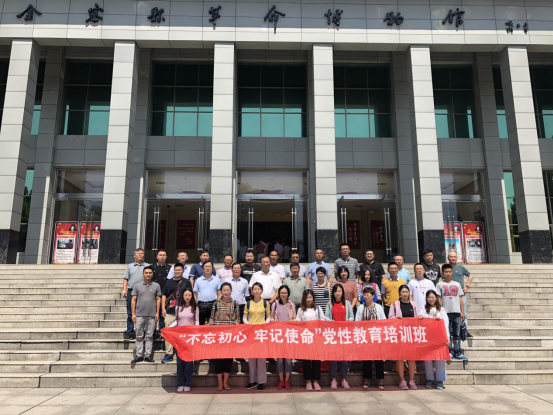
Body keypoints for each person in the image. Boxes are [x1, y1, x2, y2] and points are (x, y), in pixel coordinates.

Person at [209, 282, 240, 391]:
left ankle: (226, 383)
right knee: (218, 360)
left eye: (228, 290)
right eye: (224, 290)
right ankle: (219, 383)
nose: (226, 292)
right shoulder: (216, 303)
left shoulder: (235, 303)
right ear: (221, 291)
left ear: (231, 291)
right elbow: (212, 318)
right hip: (218, 336)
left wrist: (235, 327)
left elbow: (237, 319)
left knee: (228, 359)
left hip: (229, 336)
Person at [160, 263, 193, 363]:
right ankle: (169, 353)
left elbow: (190, 295)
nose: (177, 271)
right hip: (170, 310)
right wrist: (163, 308)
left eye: (179, 270)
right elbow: (164, 295)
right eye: (176, 270)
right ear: (173, 271)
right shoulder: (168, 282)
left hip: (184, 311)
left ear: (183, 271)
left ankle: (183, 351)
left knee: (184, 332)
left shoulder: (187, 282)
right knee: (168, 331)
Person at [355, 287, 386, 390]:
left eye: (368, 294)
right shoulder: (361, 307)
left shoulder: (379, 307)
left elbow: (383, 320)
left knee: (379, 359)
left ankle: (380, 379)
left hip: (377, 336)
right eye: (364, 294)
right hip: (366, 337)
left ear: (373, 296)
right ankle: (366, 379)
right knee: (367, 359)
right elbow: (357, 322)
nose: (366, 296)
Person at [168, 287, 198, 392]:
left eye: (189, 295)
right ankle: (180, 383)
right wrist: (168, 328)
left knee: (188, 361)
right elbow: (177, 321)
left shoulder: (195, 308)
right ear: (183, 296)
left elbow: (197, 322)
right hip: (180, 337)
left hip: (190, 338)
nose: (187, 297)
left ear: (192, 296)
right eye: (186, 295)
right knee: (180, 361)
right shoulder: (178, 307)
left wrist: (196, 334)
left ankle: (187, 383)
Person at [388, 285, 418, 390]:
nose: (405, 294)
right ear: (399, 294)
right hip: (400, 334)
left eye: (406, 292)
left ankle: (412, 380)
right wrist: (396, 318)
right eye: (403, 292)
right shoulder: (395, 304)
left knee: (411, 358)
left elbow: (416, 317)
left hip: (411, 334)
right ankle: (402, 380)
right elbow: (390, 318)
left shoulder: (413, 304)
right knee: (400, 358)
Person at [418, 290, 449, 390]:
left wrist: (447, 337)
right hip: (427, 337)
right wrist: (420, 317)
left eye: (432, 297)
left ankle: (440, 380)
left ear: (436, 298)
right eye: (429, 297)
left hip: (439, 337)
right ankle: (430, 380)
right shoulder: (423, 308)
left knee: (440, 359)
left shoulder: (441, 309)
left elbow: (446, 324)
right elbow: (419, 320)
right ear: (426, 298)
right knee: (428, 360)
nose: (431, 299)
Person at [325, 284, 354, 390]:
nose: (338, 293)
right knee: (333, 359)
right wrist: (331, 321)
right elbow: (326, 317)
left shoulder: (347, 303)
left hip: (344, 334)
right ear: (333, 293)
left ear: (342, 292)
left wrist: (348, 321)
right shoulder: (330, 304)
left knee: (344, 359)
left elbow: (351, 316)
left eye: (339, 291)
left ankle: (344, 379)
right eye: (336, 291)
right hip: (333, 334)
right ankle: (333, 379)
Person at [244, 282, 272, 391]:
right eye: (254, 289)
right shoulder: (248, 303)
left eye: (258, 289)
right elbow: (245, 317)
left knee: (261, 359)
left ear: (261, 291)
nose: (256, 291)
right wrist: (248, 325)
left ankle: (261, 381)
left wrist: (264, 325)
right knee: (251, 359)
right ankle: (252, 381)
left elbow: (268, 316)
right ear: (252, 291)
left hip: (261, 333)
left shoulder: (266, 303)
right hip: (251, 333)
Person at [296, 289, 326, 391]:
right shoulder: (301, 310)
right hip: (306, 338)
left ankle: (316, 381)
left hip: (316, 338)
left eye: (310, 297)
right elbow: (298, 322)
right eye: (307, 297)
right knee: (306, 360)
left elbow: (323, 320)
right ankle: (308, 381)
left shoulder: (318, 309)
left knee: (316, 360)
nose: (309, 299)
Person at [130, 266, 161, 364]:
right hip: (139, 315)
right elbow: (133, 300)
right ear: (143, 274)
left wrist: (157, 313)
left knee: (149, 335)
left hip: (152, 315)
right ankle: (139, 355)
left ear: (152, 274)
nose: (148, 274)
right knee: (139, 335)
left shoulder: (156, 285)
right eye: (146, 273)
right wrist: (133, 313)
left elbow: (158, 299)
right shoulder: (137, 286)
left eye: (150, 273)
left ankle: (148, 355)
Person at [436, 264, 467, 360]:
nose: (448, 274)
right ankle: (448, 352)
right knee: (447, 333)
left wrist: (462, 311)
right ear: (442, 273)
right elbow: (439, 298)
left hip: (456, 311)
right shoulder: (439, 284)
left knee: (457, 333)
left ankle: (457, 352)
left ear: (452, 272)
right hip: (445, 312)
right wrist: (439, 310)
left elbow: (460, 298)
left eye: (449, 272)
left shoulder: (457, 284)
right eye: (446, 272)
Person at [270, 285, 296, 390]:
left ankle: (287, 380)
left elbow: (294, 318)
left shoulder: (291, 305)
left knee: (288, 360)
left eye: (285, 293)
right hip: (279, 335)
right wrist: (274, 321)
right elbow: (271, 317)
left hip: (288, 335)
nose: (283, 294)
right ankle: (281, 380)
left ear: (288, 293)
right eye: (281, 293)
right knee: (280, 359)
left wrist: (292, 321)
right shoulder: (275, 304)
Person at [122, 248, 150, 340]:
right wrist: (124, 289)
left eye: (142, 253)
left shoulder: (147, 266)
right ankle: (130, 332)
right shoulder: (130, 266)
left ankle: (143, 331)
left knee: (144, 313)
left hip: (144, 292)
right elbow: (126, 278)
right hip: (131, 291)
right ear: (134, 256)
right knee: (131, 312)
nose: (140, 255)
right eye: (138, 253)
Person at [448, 251, 473, 338]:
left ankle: (465, 330)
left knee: (463, 313)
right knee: (450, 313)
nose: (453, 258)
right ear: (448, 258)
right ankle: (452, 330)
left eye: (454, 257)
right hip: (449, 295)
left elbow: (470, 275)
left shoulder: (461, 267)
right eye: (451, 257)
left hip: (461, 294)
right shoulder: (446, 268)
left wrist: (467, 286)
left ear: (457, 258)